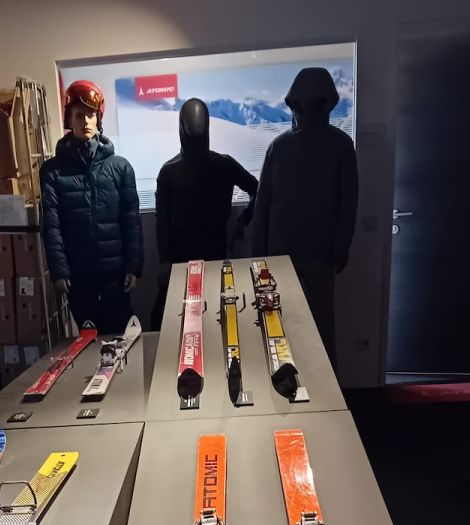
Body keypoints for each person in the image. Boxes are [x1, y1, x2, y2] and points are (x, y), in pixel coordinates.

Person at [251, 67, 358, 369]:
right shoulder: (340, 145)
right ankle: (326, 389)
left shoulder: (279, 146)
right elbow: (349, 202)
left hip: (282, 253)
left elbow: (263, 205)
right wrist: (341, 247)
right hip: (320, 253)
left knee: (280, 325)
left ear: (292, 102)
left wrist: (258, 256)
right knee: (320, 328)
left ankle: (282, 384)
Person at [40, 79, 143, 335]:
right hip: (79, 274)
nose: (85, 121)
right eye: (79, 115)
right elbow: (52, 224)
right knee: (88, 339)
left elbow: (131, 220)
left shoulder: (120, 167)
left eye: (90, 115)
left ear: (98, 119)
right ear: (69, 119)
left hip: (115, 273)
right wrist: (59, 271)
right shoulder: (53, 172)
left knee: (121, 336)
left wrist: (133, 266)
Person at [152, 98, 258, 329]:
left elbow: (162, 221)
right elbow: (257, 190)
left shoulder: (170, 171)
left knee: (175, 323)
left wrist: (164, 261)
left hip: (192, 258)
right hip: (202, 256)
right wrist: (242, 221)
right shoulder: (222, 164)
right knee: (209, 320)